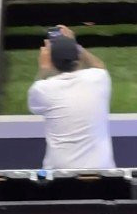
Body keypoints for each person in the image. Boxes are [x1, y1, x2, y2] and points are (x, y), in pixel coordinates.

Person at [25, 26, 114, 170]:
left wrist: (43, 69)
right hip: (102, 170)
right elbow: (99, 66)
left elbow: (33, 105)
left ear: (50, 62)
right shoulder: (99, 78)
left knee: (42, 177)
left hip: (58, 174)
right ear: (77, 57)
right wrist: (74, 45)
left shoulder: (43, 89)